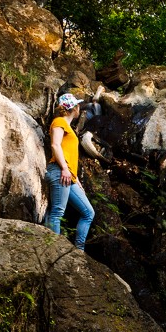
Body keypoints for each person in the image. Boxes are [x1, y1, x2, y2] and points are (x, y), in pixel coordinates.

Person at [44, 92, 95, 248]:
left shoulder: (70, 128)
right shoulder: (59, 121)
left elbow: (68, 153)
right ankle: (54, 249)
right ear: (74, 108)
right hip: (59, 171)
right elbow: (55, 145)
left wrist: (76, 177)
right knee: (58, 212)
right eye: (78, 105)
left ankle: (79, 250)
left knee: (88, 213)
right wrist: (65, 168)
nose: (79, 107)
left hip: (68, 175)